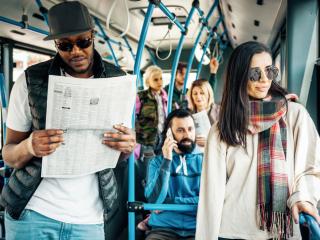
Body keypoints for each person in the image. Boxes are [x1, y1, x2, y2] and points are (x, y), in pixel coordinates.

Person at [0, 1, 136, 240]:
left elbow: (119, 155)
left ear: (93, 36)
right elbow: (9, 154)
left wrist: (126, 146)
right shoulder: (30, 81)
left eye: (83, 42)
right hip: (33, 213)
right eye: (65, 45)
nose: (75, 52)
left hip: (89, 220)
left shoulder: (117, 81)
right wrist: (29, 146)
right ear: (56, 45)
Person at [196, 41, 320, 240]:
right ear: (240, 76)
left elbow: (310, 167)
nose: (264, 79)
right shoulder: (222, 128)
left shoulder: (294, 115)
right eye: (254, 73)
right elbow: (211, 192)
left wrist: (304, 197)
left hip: (281, 231)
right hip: (233, 230)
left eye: (270, 71)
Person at [144, 109, 203, 240]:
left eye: (190, 129)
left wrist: (170, 202)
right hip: (163, 229)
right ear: (169, 134)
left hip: (197, 228)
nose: (187, 134)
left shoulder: (205, 161)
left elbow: (208, 200)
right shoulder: (156, 163)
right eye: (180, 130)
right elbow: (155, 201)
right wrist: (167, 160)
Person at [187, 79, 220, 147]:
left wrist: (209, 142)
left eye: (202, 93)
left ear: (208, 94)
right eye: (195, 94)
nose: (198, 97)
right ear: (191, 96)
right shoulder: (188, 114)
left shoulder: (220, 112)